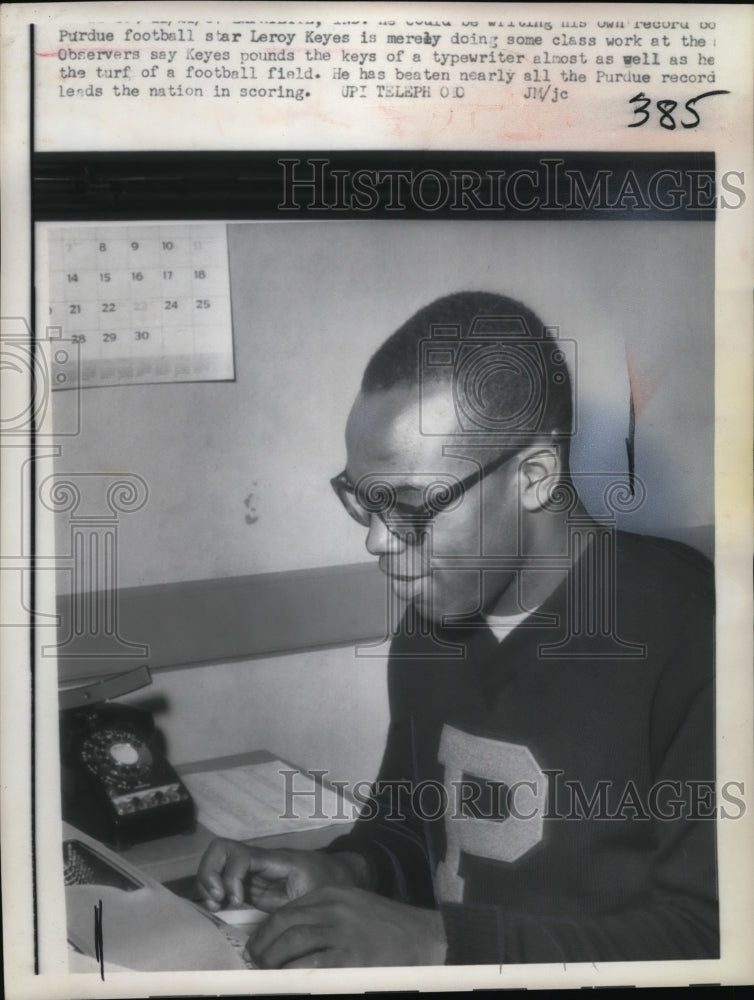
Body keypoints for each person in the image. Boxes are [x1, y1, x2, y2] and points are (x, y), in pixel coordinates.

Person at [197, 291, 718, 968]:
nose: (379, 544)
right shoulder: (431, 622)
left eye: (411, 505)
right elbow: (420, 831)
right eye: (364, 501)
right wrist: (349, 872)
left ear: (533, 477)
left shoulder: (692, 630)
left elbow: (714, 939)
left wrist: (436, 944)